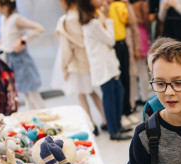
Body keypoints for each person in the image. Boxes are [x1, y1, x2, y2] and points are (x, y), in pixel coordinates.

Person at [78, 0, 132, 140]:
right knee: (110, 97)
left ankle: (117, 126)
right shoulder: (92, 24)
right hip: (103, 67)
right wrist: (108, 18)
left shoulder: (93, 20)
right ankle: (114, 131)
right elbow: (110, 40)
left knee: (117, 93)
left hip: (108, 66)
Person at [56, 0, 109, 136]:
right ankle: (105, 120)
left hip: (75, 63)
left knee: (81, 95)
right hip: (87, 60)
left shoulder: (65, 20)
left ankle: (91, 124)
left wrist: (64, 68)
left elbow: (66, 49)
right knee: (93, 92)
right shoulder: (84, 14)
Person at [0, 0, 46, 111]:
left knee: (32, 93)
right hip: (10, 59)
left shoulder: (16, 19)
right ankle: (33, 120)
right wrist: (3, 42)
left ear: (5, 6)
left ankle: (46, 117)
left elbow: (39, 29)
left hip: (20, 59)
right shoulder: (4, 19)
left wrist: (23, 41)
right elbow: (10, 36)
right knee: (25, 94)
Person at [109, 0, 140, 124]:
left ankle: (128, 110)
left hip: (125, 45)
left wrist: (137, 47)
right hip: (112, 47)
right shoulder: (105, 6)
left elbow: (133, 25)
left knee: (127, 78)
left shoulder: (123, 5)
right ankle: (121, 113)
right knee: (117, 81)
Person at [130, 0, 151, 105]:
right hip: (140, 33)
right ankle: (143, 96)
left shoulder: (129, 4)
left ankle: (138, 97)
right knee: (141, 69)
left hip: (133, 35)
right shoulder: (141, 3)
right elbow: (147, 19)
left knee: (136, 70)